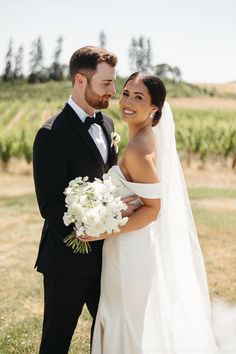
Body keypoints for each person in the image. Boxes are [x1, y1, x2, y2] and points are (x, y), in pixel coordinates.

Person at [80, 72, 236, 354]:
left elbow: (153, 210)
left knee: (125, 321)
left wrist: (102, 229)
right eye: (126, 93)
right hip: (129, 245)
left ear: (154, 108)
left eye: (138, 97)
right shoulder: (144, 139)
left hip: (130, 250)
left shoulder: (139, 150)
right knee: (126, 319)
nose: (127, 101)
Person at [33, 46, 136, 354]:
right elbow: (49, 204)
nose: (113, 92)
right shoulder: (51, 133)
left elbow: (111, 179)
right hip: (66, 260)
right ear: (80, 80)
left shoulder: (108, 125)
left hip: (107, 257)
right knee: (56, 340)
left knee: (107, 337)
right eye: (106, 84)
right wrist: (97, 215)